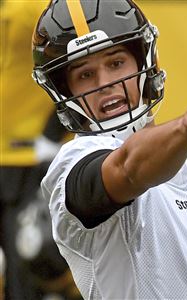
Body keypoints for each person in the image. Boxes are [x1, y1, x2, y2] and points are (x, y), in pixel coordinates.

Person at [32, 0, 187, 299]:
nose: (105, 83)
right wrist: (185, 128)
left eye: (115, 63)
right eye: (84, 75)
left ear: (144, 61)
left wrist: (184, 134)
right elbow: (127, 170)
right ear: (65, 90)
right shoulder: (70, 163)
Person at [0, 1, 82, 299]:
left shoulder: (37, 4)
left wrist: (52, 132)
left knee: (30, 259)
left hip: (28, 157)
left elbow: (73, 56)